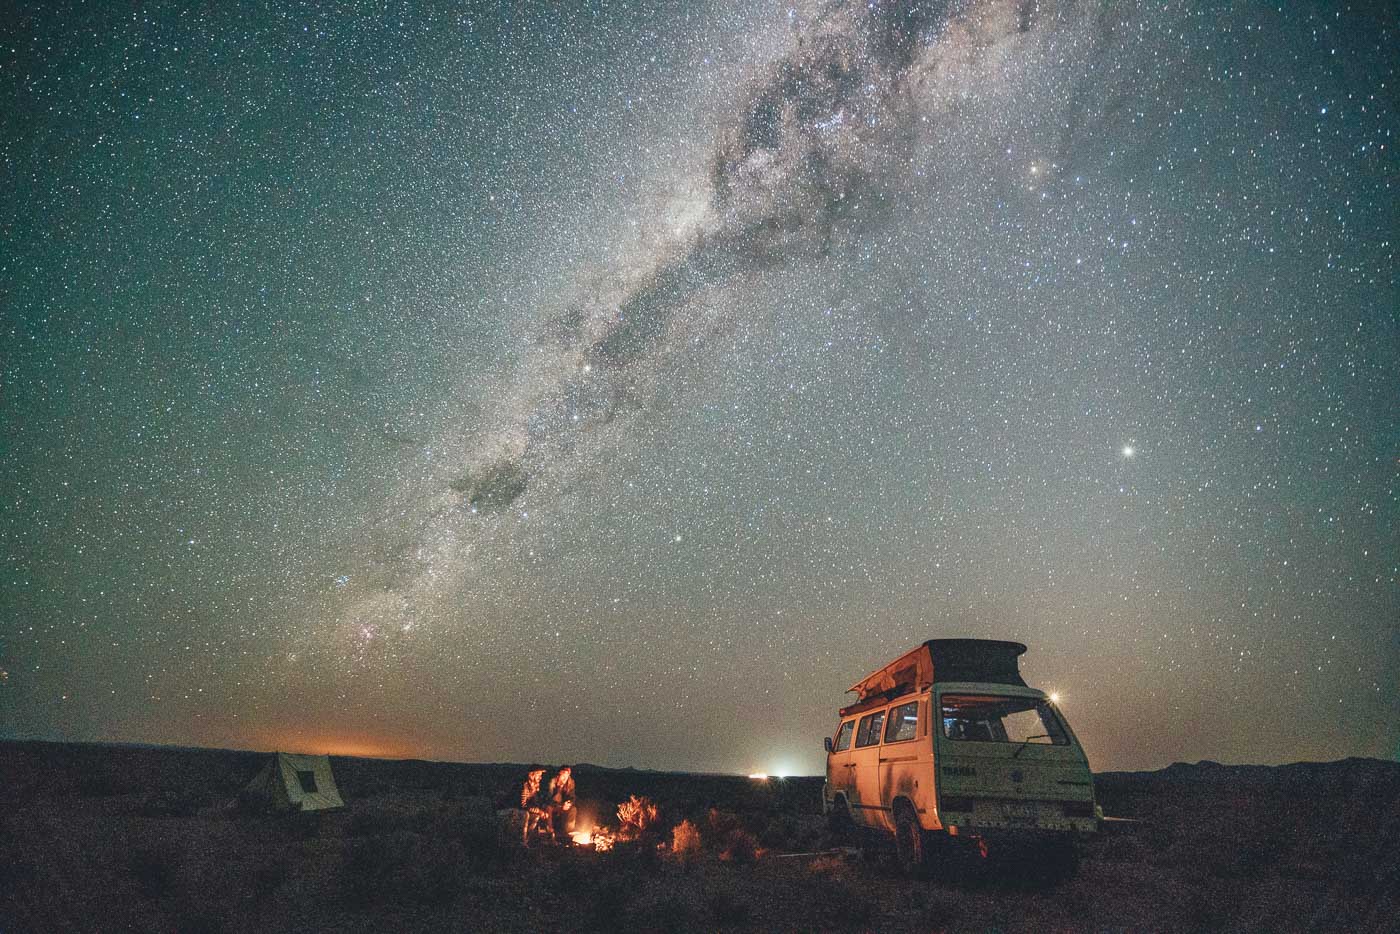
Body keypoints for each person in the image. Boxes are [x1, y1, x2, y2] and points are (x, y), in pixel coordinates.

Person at [520, 767, 551, 845]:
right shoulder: (525, 786)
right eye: (538, 775)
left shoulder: (535, 786)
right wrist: (539, 811)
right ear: (532, 775)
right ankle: (522, 841)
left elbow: (535, 803)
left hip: (524, 809)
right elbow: (523, 805)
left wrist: (542, 811)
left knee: (536, 816)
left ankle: (527, 840)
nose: (540, 777)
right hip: (512, 809)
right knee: (526, 815)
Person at [548, 766, 576, 842]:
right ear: (559, 775)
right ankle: (550, 831)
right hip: (553, 805)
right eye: (563, 775)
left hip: (563, 805)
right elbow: (549, 799)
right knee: (549, 808)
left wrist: (568, 803)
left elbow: (572, 797)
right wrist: (559, 788)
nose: (565, 778)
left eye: (567, 776)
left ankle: (568, 832)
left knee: (573, 809)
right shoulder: (553, 782)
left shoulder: (570, 782)